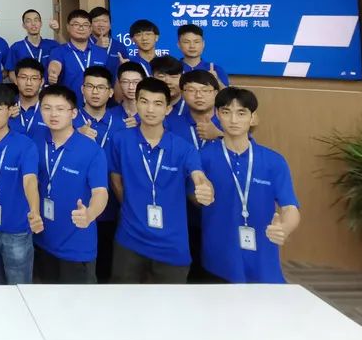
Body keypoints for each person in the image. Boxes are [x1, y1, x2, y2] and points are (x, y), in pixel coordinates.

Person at [108, 77, 215, 284]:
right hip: (129, 240)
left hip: (171, 244)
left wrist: (205, 188)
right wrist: (130, 208)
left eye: (157, 103)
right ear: (136, 103)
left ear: (167, 109)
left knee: (170, 302)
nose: (150, 109)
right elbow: (116, 178)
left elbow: (199, 176)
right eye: (144, 101)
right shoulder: (120, 140)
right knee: (123, 299)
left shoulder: (183, 148)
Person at [200, 87, 301, 283]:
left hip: (263, 263)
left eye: (241, 113)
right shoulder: (203, 157)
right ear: (217, 115)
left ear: (253, 117)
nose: (233, 120)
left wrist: (285, 228)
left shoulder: (273, 161)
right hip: (218, 263)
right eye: (226, 112)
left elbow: (290, 207)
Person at [33, 85, 108, 284]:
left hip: (76, 246)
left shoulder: (91, 150)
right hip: (41, 240)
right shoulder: (36, 142)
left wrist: (90, 214)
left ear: (73, 113)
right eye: (47, 108)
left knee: (78, 303)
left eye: (60, 109)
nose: (53, 114)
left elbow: (100, 192)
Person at [0, 84, 41, 285]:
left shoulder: (25, 145)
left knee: (19, 289)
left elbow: (30, 180)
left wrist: (34, 211)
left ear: (11, 110)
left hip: (16, 229)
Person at [166, 69, 223, 280]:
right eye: (191, 90)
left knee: (218, 275)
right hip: (182, 213)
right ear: (182, 93)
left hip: (223, 211)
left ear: (215, 93)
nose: (198, 95)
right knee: (188, 273)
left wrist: (220, 134)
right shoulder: (170, 122)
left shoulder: (228, 122)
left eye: (205, 90)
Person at [76, 65, 124, 282]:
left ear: (111, 92)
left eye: (101, 87)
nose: (95, 92)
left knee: (106, 267)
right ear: (82, 89)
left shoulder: (122, 125)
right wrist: (75, 135)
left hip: (112, 208)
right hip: (77, 206)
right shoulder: (69, 122)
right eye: (90, 86)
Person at [47, 9, 112, 102]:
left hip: (96, 106)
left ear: (90, 29)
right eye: (76, 24)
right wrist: (53, 73)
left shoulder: (101, 53)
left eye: (85, 25)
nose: (81, 28)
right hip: (69, 106)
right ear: (68, 27)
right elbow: (55, 64)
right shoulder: (58, 51)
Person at [4, 9, 57, 81]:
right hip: (26, 87)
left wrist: (57, 31)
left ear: (41, 23)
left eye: (36, 20)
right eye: (28, 21)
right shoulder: (16, 47)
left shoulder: (52, 45)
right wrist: (21, 85)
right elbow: (11, 72)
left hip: (48, 87)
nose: (33, 23)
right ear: (24, 25)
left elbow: (68, 51)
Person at [11, 59, 48, 140]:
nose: (28, 83)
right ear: (16, 80)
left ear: (42, 82)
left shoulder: (51, 108)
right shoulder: (5, 106)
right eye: (23, 77)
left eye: (34, 78)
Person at [115, 61, 145, 126]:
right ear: (119, 83)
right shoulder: (110, 114)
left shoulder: (152, 114)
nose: (131, 87)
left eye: (136, 82)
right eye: (125, 82)